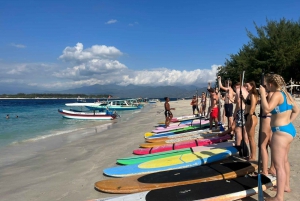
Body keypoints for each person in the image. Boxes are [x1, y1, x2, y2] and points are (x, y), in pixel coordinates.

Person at [259, 74, 299, 201]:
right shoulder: (287, 94)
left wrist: (262, 94)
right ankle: (286, 186)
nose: (266, 87)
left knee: (278, 166)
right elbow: (297, 110)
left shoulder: (276, 94)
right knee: (285, 161)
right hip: (288, 130)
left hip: (280, 132)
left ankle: (279, 197)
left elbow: (266, 110)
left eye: (266, 85)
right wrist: (288, 123)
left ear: (271, 84)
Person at [259, 83, 275, 176]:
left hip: (266, 118)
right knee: (270, 144)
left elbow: (266, 109)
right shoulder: (275, 93)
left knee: (263, 145)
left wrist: (263, 95)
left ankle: (265, 170)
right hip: (271, 119)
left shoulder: (269, 94)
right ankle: (272, 168)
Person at [243, 81, 259, 161]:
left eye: (247, 86)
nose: (246, 87)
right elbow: (247, 105)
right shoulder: (249, 94)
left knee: (251, 138)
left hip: (251, 116)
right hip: (247, 116)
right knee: (249, 137)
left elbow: (252, 108)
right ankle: (251, 155)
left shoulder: (253, 95)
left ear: (252, 86)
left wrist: (249, 119)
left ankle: (253, 157)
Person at [233, 82, 249, 147]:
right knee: (244, 129)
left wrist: (235, 113)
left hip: (241, 110)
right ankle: (245, 144)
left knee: (238, 129)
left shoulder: (238, 89)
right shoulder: (246, 90)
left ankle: (238, 145)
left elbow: (237, 102)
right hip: (247, 110)